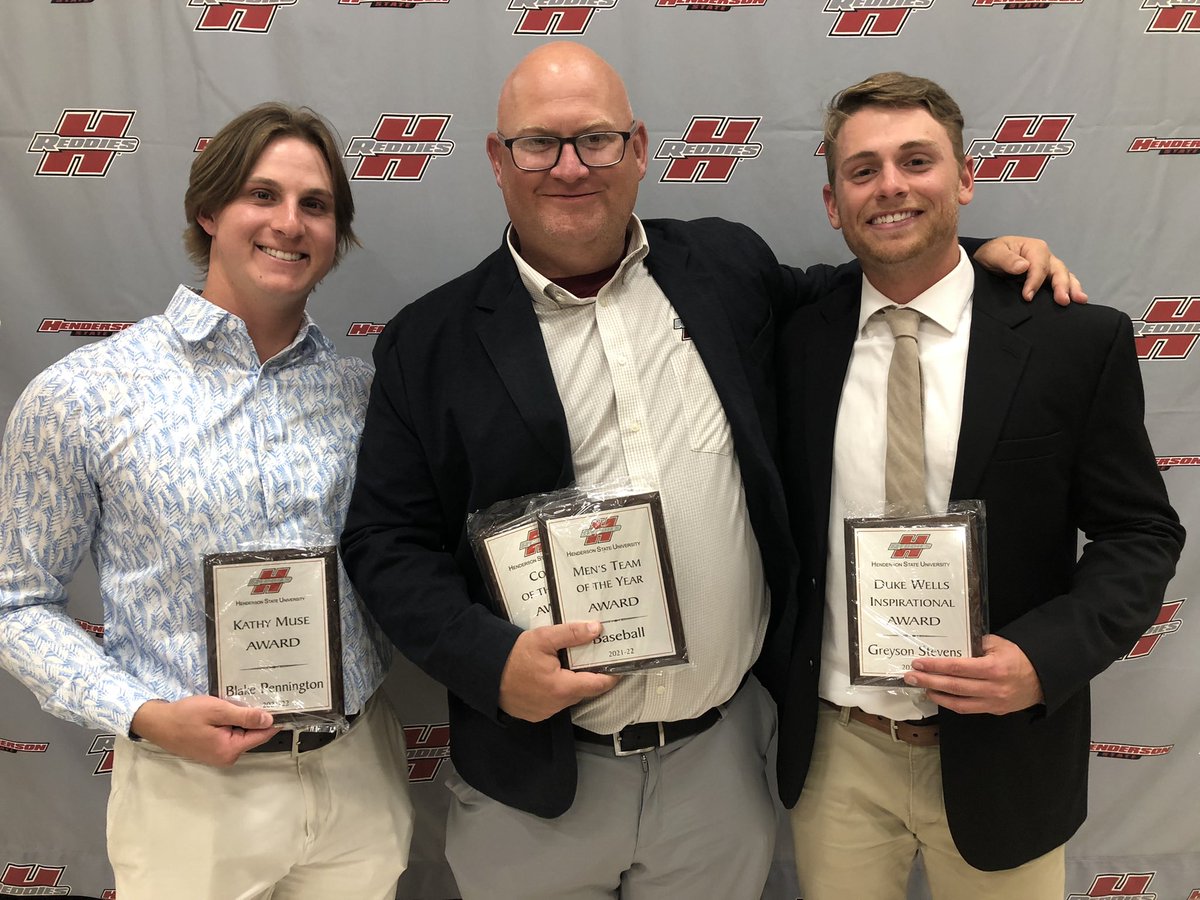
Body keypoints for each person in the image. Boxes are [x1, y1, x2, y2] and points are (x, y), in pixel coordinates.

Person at [340, 43, 1074, 900]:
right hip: (533, 785)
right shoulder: (429, 342)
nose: (570, 167)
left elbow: (865, 287)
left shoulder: (725, 268)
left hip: (719, 770)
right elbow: (385, 543)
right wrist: (489, 661)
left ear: (641, 148)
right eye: (539, 143)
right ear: (499, 160)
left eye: (598, 140)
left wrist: (976, 249)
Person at [774, 72, 1185, 899]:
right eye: (863, 170)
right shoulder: (791, 340)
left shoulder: (1076, 341)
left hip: (1009, 754)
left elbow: (1141, 534)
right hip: (835, 756)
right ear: (832, 203)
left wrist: (1044, 658)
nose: (890, 185)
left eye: (916, 161)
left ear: (965, 178)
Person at [0, 103, 412, 899]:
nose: (288, 223)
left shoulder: (365, 393)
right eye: (262, 195)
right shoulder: (85, 394)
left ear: (335, 234)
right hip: (190, 797)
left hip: (358, 772)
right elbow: (16, 603)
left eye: (315, 204)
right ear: (210, 211)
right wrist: (144, 712)